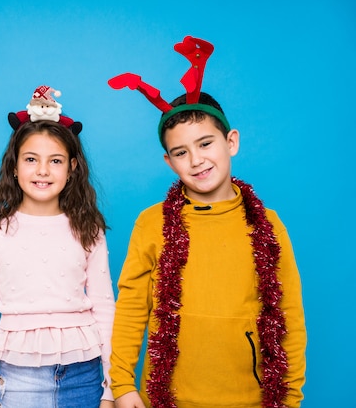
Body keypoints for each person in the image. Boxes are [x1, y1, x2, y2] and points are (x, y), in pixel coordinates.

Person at [107, 36, 306, 408]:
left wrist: (290, 397)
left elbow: (288, 313)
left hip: (250, 397)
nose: (196, 160)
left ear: (231, 141)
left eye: (205, 144)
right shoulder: (152, 223)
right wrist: (122, 384)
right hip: (168, 398)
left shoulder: (268, 225)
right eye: (181, 152)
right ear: (169, 162)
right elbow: (132, 306)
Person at [0, 86, 116, 408]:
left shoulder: (88, 228)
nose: (43, 171)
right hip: (20, 378)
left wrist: (109, 390)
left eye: (56, 160)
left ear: (72, 167)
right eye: (31, 159)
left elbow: (105, 309)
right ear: (15, 165)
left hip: (85, 374)